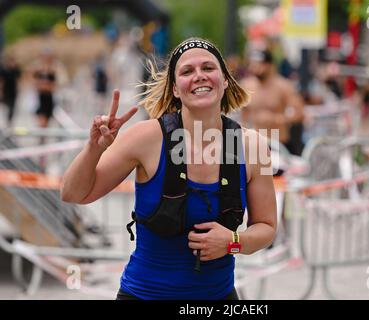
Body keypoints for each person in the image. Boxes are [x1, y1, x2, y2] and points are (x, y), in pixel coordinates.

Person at [60, 37, 277, 300]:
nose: (199, 76)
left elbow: (266, 227)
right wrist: (94, 148)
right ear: (175, 89)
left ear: (226, 80)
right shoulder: (146, 138)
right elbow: (73, 194)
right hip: (144, 295)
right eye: (187, 71)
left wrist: (233, 242)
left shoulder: (254, 146)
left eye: (208, 68)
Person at [239, 49, 304, 156]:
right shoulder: (246, 85)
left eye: (258, 64)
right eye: (252, 64)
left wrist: (277, 119)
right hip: (255, 144)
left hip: (279, 144)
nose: (254, 68)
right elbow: (243, 115)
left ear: (269, 65)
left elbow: (299, 114)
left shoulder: (284, 86)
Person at [0, 54, 21, 126]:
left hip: (13, 92)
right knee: (5, 108)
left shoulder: (16, 70)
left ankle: (9, 123)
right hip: (6, 91)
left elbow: (18, 80)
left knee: (12, 109)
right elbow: (1, 81)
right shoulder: (3, 70)